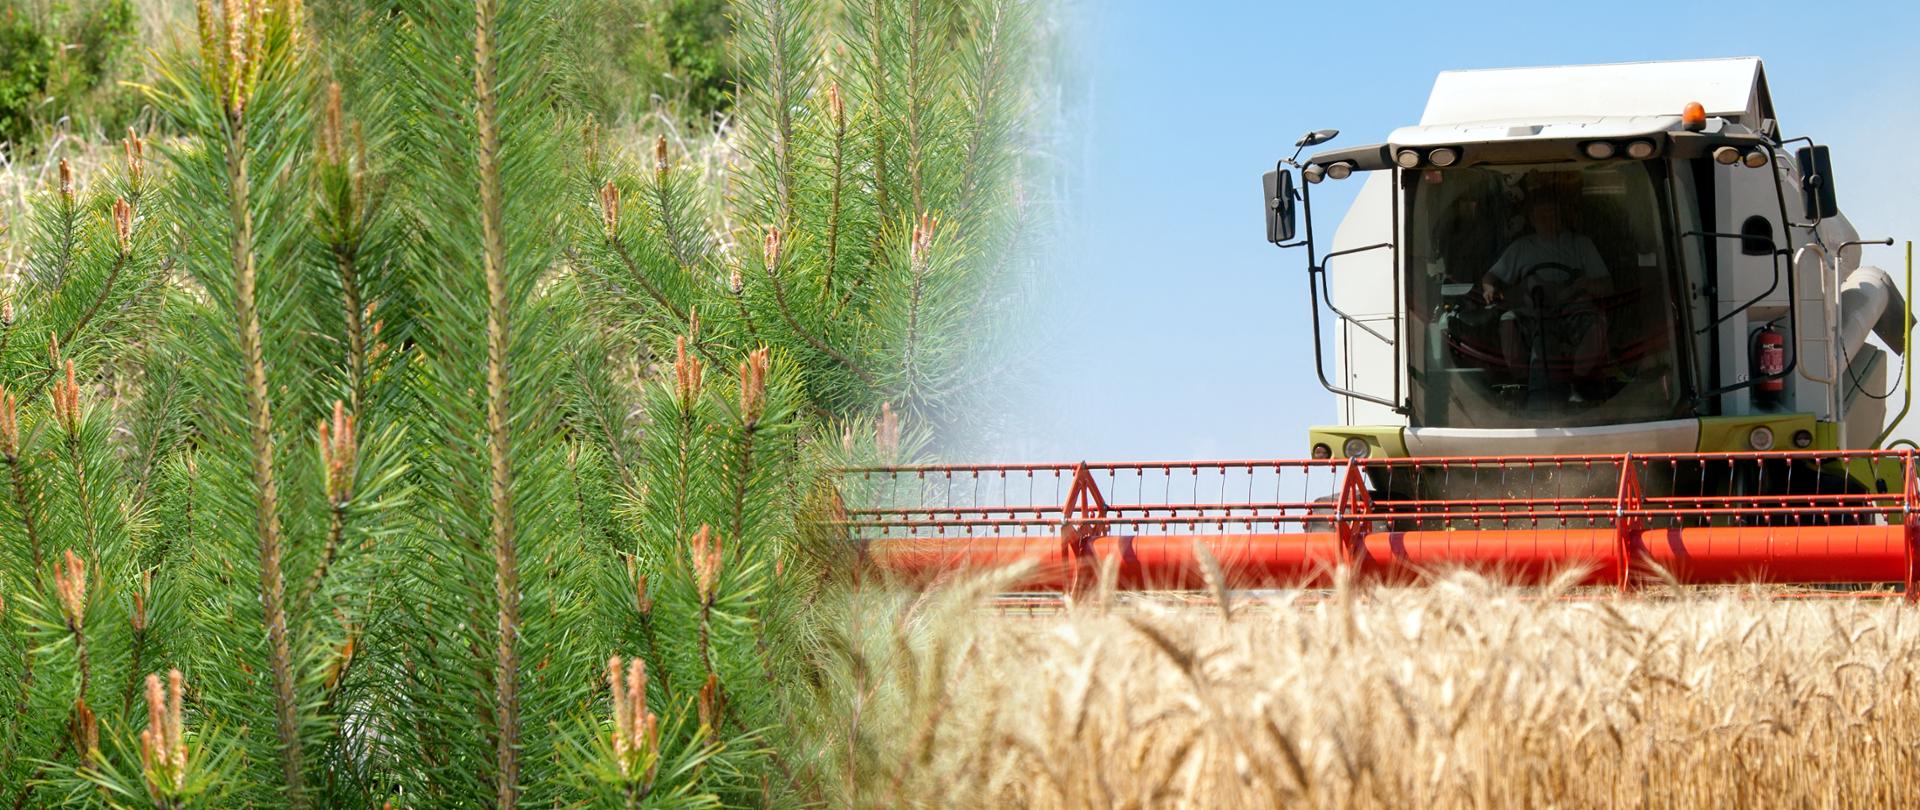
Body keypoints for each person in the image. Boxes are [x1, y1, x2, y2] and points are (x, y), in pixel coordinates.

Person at [1476, 183, 1613, 394]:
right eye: (1542, 215)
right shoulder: (1522, 247)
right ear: (1531, 219)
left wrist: (1582, 285)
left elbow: (1606, 286)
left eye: (1553, 214)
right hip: (1531, 312)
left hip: (1572, 311)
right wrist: (1489, 288)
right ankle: (1523, 384)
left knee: (1596, 323)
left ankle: (1579, 383)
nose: (1548, 220)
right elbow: (1491, 276)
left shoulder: (1581, 245)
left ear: (1562, 216)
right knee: (1508, 321)